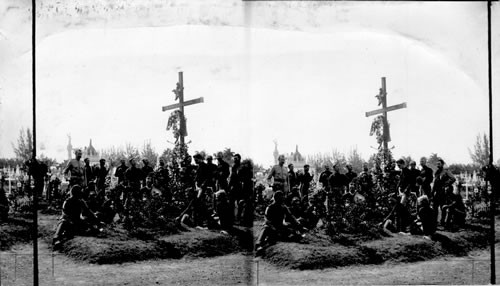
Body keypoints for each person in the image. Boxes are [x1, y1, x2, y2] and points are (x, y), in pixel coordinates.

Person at [255, 191, 302, 256]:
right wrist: (273, 228)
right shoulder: (270, 207)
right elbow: (267, 220)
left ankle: (288, 236)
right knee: (265, 229)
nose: (282, 199)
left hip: (280, 227)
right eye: (280, 198)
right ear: (276, 198)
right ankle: (259, 245)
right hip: (271, 227)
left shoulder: (283, 207)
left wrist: (298, 224)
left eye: (282, 198)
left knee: (292, 231)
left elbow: (291, 217)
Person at [432, 159, 456, 226]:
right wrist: (432, 192)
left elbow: (453, 178)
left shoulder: (446, 171)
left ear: (442, 164)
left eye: (439, 164)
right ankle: (435, 221)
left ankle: (442, 222)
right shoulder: (436, 172)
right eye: (437, 164)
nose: (438, 165)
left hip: (443, 192)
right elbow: (435, 183)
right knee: (435, 207)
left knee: (443, 207)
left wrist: (446, 184)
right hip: (436, 192)